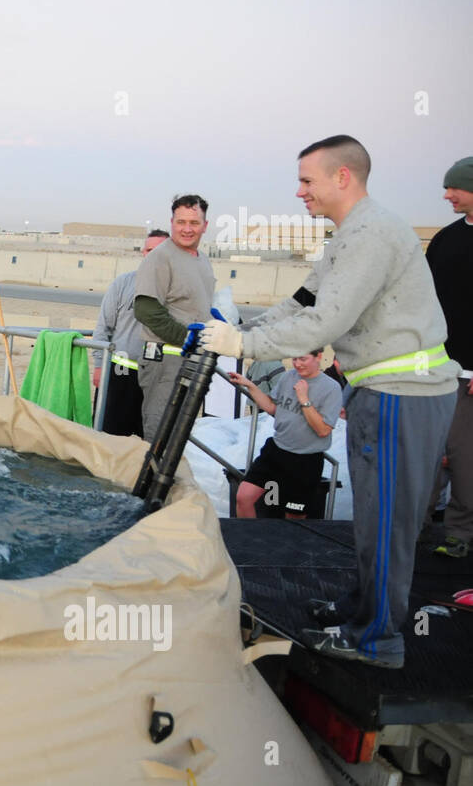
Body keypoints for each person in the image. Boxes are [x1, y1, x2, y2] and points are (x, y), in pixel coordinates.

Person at [201, 136, 459, 668]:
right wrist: (240, 327)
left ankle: (377, 640)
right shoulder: (349, 237)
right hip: (381, 390)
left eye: (307, 180)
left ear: (343, 177)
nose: (299, 191)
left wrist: (244, 347)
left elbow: (323, 324)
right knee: (372, 518)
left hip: (402, 395)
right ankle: (364, 607)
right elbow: (304, 300)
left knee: (388, 523)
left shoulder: (372, 235)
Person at [133, 196, 216, 440]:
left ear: (205, 225)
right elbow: (146, 310)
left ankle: (170, 479)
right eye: (181, 222)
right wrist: (187, 337)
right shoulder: (159, 257)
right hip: (165, 360)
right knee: (159, 432)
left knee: (179, 433)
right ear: (171, 222)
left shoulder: (202, 260)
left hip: (192, 360)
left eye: (194, 222)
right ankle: (151, 478)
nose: (187, 229)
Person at [423, 156, 473, 559]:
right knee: (425, 453)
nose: (446, 194)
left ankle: (460, 535)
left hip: (469, 376)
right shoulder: (445, 238)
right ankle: (414, 526)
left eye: (454, 187)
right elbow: (421, 300)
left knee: (464, 459)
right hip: (433, 368)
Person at [227, 350, 342, 519]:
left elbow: (323, 430)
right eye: (295, 359)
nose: (297, 364)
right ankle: (250, 540)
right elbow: (273, 408)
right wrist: (249, 385)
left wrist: (304, 399)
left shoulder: (331, 388)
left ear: (318, 357)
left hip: (305, 461)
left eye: (303, 359)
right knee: (243, 497)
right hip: (276, 450)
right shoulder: (288, 377)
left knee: (294, 515)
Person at [92, 229, 168, 436]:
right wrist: (99, 367)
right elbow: (103, 329)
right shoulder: (123, 284)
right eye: (149, 250)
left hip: (158, 378)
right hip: (120, 371)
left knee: (150, 439)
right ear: (143, 252)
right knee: (109, 434)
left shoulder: (178, 290)